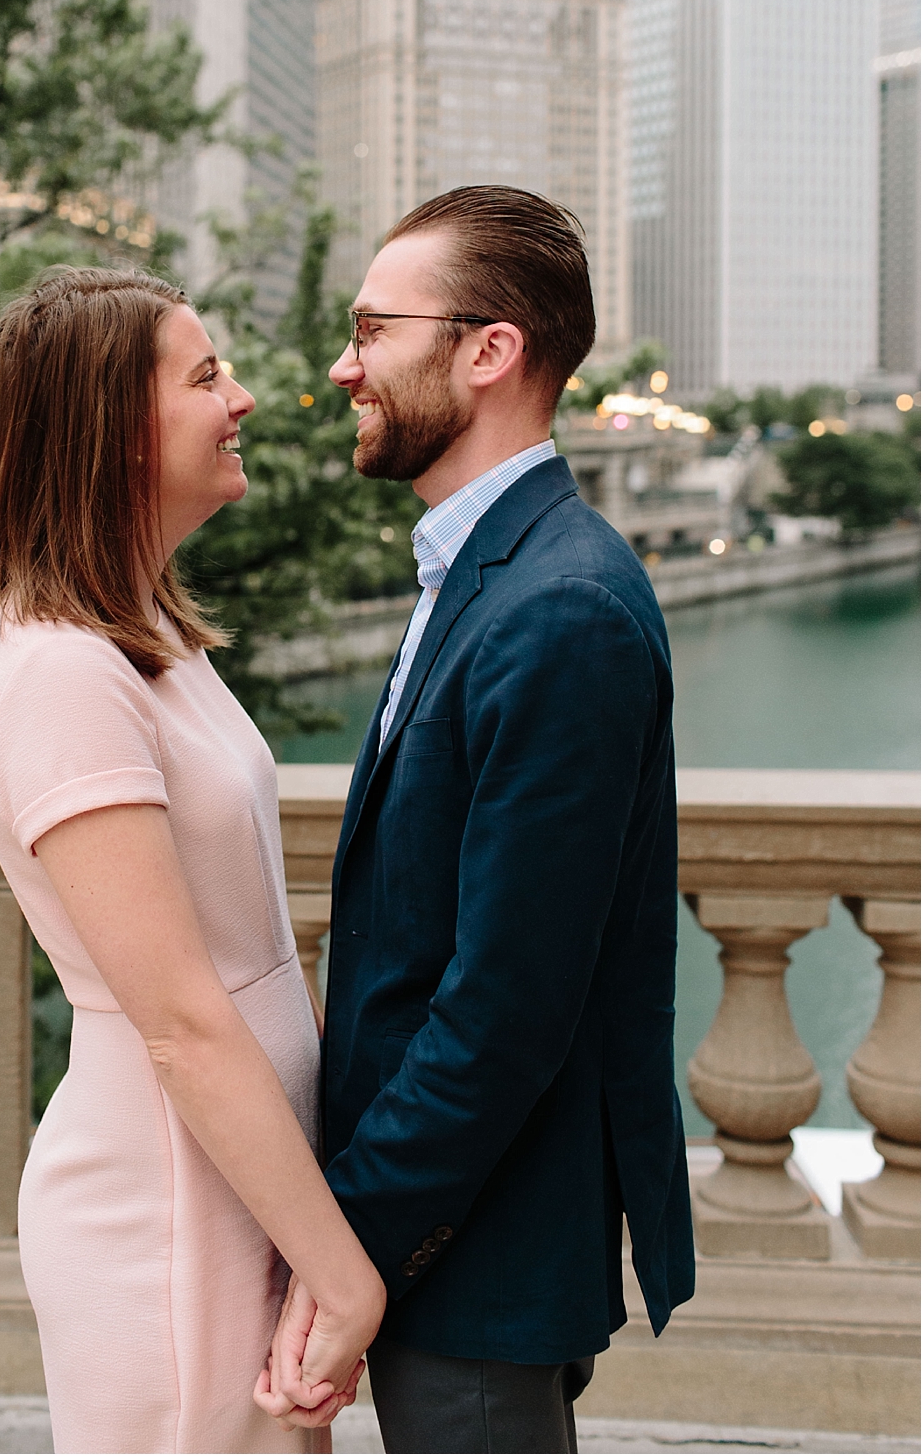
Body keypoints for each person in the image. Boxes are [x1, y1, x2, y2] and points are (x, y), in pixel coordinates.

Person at [266, 186, 695, 1454]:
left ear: (486, 349)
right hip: (446, 1231)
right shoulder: (486, 569)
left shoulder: (563, 606)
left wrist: (353, 1245)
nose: (344, 365)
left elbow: (504, 1006)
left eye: (370, 328)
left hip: (477, 1252)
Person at [0, 266, 384, 1456]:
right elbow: (183, 1020)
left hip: (239, 1184)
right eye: (204, 377)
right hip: (171, 1207)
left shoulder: (138, 640)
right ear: (112, 433)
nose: (239, 398)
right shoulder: (56, 672)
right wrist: (342, 1274)